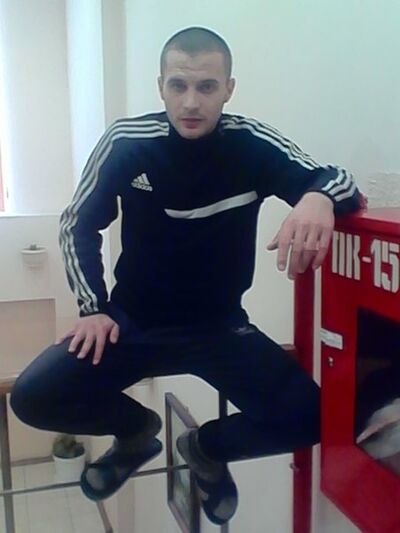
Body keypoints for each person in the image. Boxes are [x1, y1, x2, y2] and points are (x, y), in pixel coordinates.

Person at [10, 27, 364, 525]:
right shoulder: (127, 142)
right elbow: (78, 223)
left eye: (207, 86)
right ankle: (135, 432)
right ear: (161, 87)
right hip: (131, 323)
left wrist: (317, 197)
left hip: (218, 327)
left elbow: (338, 179)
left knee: (311, 417)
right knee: (33, 397)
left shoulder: (250, 143)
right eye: (178, 85)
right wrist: (92, 308)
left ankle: (206, 448)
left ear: (228, 89)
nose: (191, 102)